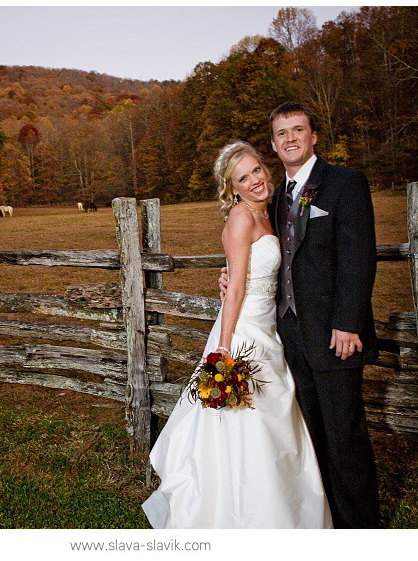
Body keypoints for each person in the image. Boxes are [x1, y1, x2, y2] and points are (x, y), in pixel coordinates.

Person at [141, 141, 332, 529]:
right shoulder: (241, 219)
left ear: (266, 169)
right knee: (249, 424)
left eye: (257, 170)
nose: (254, 180)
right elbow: (238, 289)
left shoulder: (274, 210)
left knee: (276, 422)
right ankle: (249, 514)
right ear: (233, 189)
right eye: (243, 178)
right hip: (244, 332)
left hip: (270, 329)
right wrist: (224, 350)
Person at [219, 102, 380, 528]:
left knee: (345, 436)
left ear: (314, 137)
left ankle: (362, 531)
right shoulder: (272, 200)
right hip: (286, 337)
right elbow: (259, 253)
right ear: (273, 144)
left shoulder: (345, 184)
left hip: (334, 334)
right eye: (281, 133)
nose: (290, 138)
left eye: (298, 130)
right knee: (311, 437)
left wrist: (347, 321)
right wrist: (231, 273)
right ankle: (325, 522)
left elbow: (358, 258)